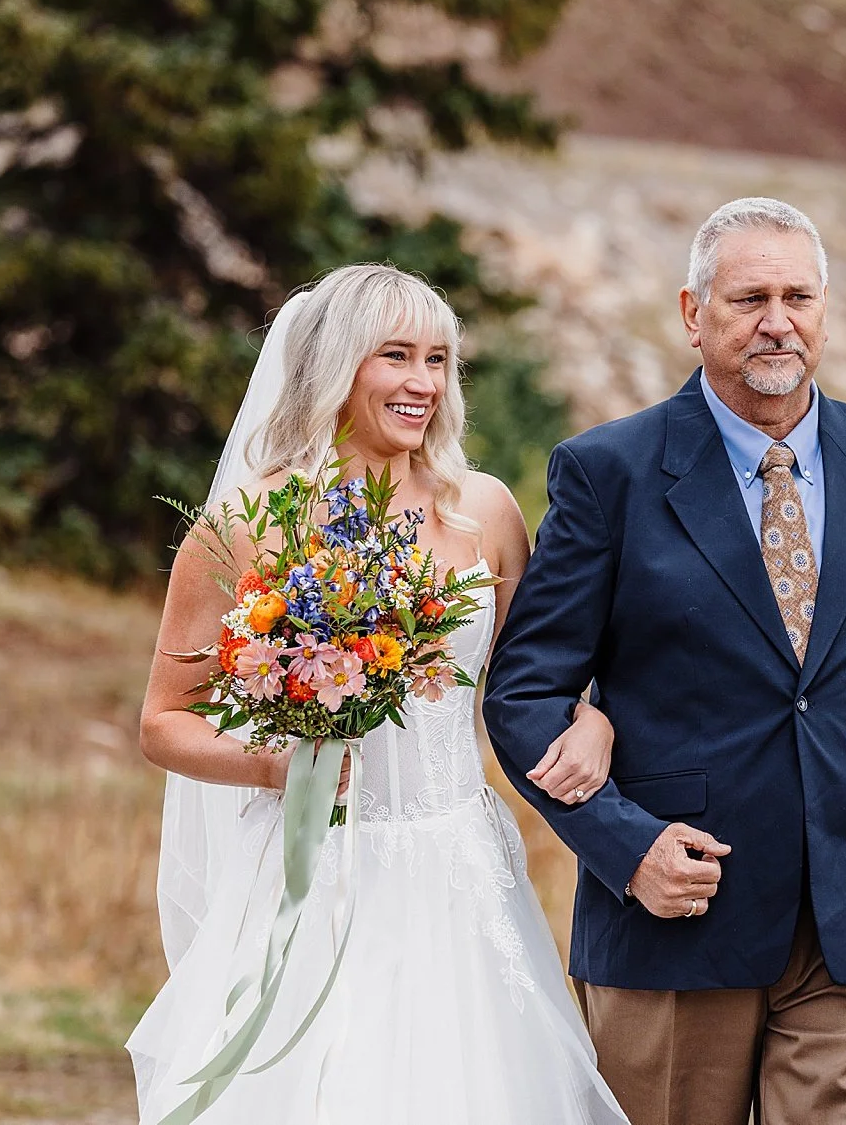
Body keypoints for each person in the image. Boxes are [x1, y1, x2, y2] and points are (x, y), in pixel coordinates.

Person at [484, 197, 846, 1125]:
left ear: (825, 309)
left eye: (799, 296)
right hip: (678, 917)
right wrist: (625, 844)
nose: (779, 321)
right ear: (694, 314)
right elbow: (523, 692)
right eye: (750, 297)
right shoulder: (608, 472)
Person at [127, 265, 629, 1124]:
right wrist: (276, 764)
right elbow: (162, 722)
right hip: (315, 872)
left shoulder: (487, 511)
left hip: (461, 871)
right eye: (395, 355)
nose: (424, 382)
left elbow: (535, 683)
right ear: (334, 365)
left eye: (438, 358)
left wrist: (600, 719)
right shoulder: (247, 523)